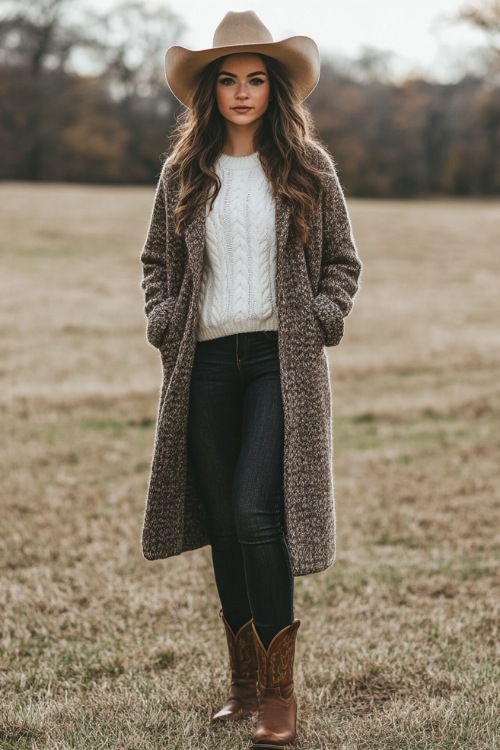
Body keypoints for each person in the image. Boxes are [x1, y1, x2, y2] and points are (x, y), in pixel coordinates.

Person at [139, 10, 362, 749]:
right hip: (202, 366)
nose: (242, 92)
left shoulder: (308, 167)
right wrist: (166, 318)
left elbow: (342, 264)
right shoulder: (184, 172)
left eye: (256, 79)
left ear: (275, 89)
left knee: (254, 511)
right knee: (225, 527)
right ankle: (241, 686)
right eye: (228, 80)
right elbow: (153, 267)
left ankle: (279, 696)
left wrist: (323, 316)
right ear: (210, 91)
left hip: (277, 362)